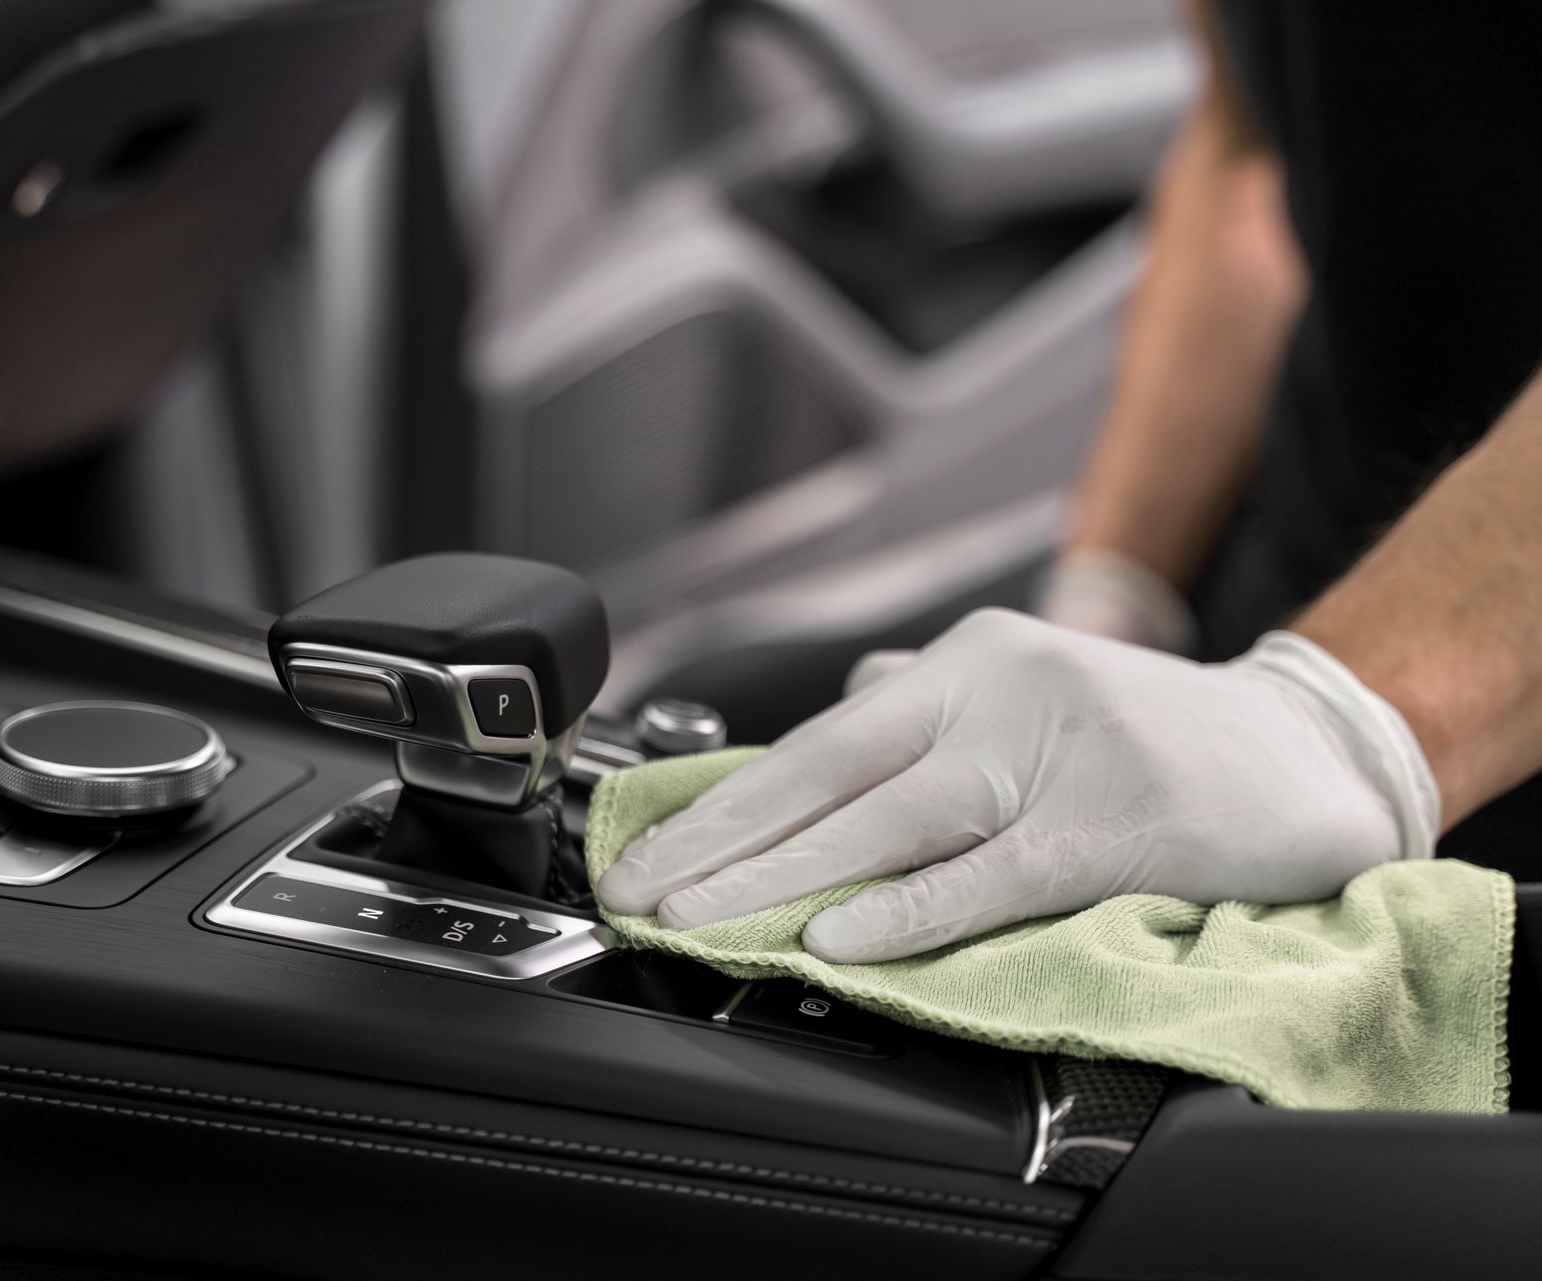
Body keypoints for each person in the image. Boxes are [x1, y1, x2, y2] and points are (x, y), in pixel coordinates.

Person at [595, 3, 1542, 962]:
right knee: (687, 720)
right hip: (1286, 582)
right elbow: (1246, 154)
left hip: (1487, 739)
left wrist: (1350, 723)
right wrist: (1113, 595)